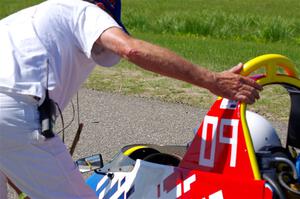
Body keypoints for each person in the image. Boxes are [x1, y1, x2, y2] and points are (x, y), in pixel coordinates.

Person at [0, 0, 262, 198]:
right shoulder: (83, 10)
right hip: (16, 112)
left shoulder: (22, 21)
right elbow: (130, 48)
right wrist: (212, 80)